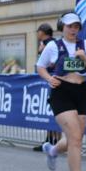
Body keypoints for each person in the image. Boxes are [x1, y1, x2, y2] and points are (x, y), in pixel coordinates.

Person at [36, 13, 86, 171]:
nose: (73, 30)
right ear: (62, 27)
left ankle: (52, 151)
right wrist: (49, 79)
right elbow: (40, 66)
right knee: (74, 137)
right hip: (61, 91)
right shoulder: (53, 46)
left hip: (81, 92)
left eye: (76, 26)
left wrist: (85, 59)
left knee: (76, 139)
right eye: (69, 26)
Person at [33, 23, 62, 152]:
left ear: (42, 32)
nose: (37, 34)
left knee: (55, 112)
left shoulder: (50, 44)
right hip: (51, 80)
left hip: (53, 80)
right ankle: (50, 140)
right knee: (52, 113)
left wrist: (42, 52)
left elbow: (52, 63)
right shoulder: (49, 43)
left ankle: (54, 141)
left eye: (38, 31)